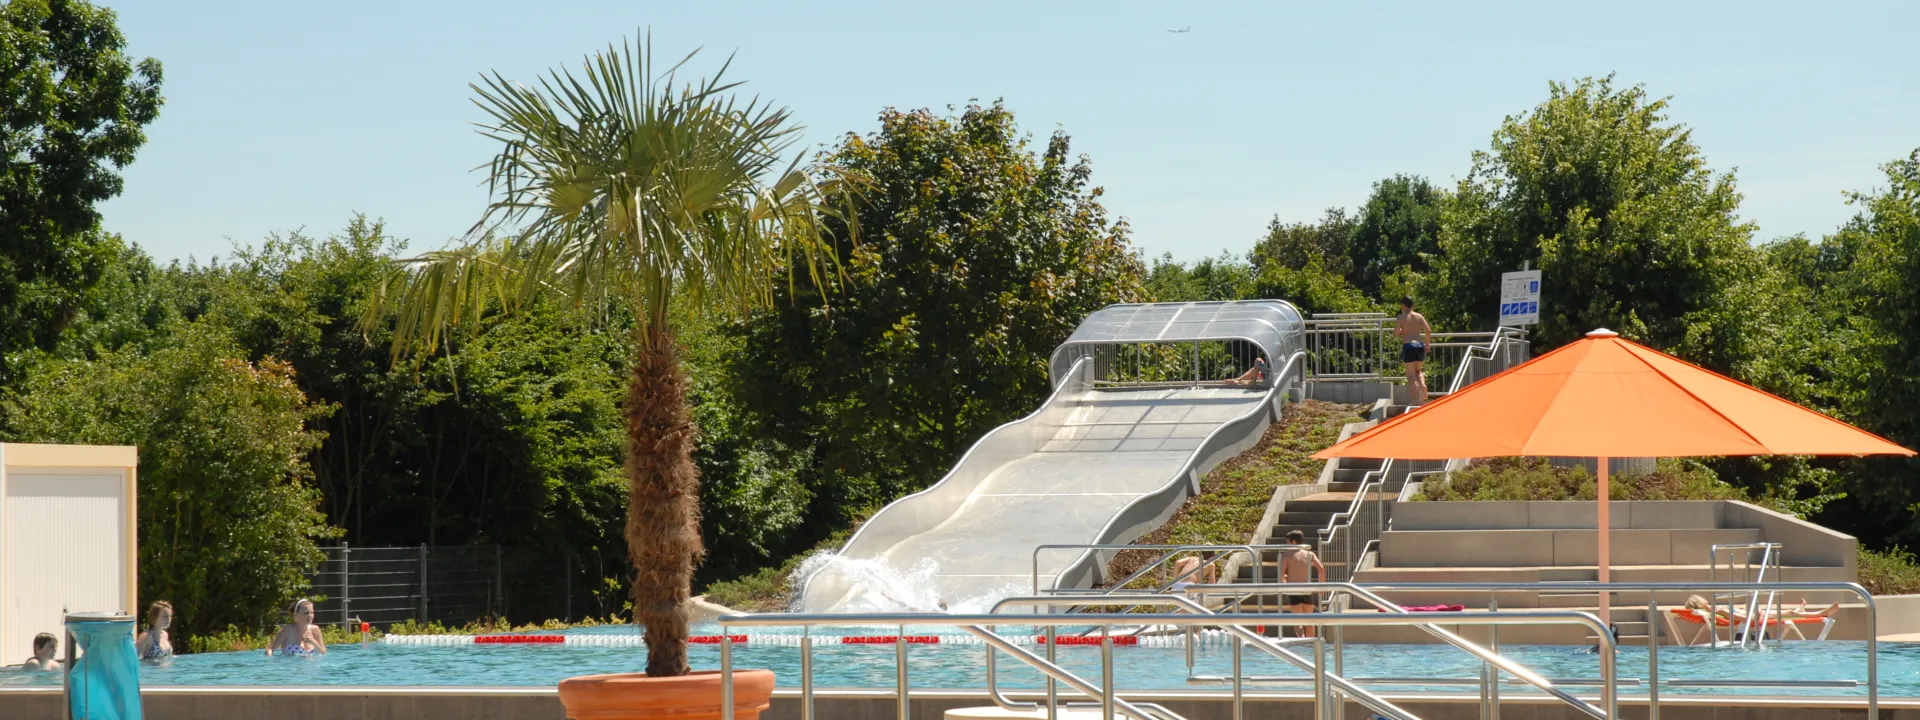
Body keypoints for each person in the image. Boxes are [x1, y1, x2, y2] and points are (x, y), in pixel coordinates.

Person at [1280, 530, 1325, 637]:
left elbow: (1281, 573)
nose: (1287, 544)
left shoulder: (1286, 555)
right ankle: (1310, 644)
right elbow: (1321, 569)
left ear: (1293, 542)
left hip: (1293, 589)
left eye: (1288, 542)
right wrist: (1322, 586)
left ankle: (1302, 641)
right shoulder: (1309, 554)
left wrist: (1284, 581)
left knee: (1297, 621)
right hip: (1306, 589)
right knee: (1309, 621)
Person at [1395, 297, 1432, 405]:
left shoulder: (1401, 317)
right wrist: (1427, 344)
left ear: (1403, 305)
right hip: (1419, 345)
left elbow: (1396, 333)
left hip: (1408, 345)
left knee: (1410, 376)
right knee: (1418, 371)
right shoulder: (1418, 316)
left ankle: (1416, 400)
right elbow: (1428, 330)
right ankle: (1423, 384)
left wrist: (1401, 330)